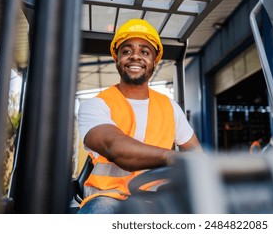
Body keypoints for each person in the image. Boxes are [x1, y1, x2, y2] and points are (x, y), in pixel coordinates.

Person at [77, 19, 202, 214]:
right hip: (109, 197)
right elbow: (116, 148)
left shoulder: (170, 107)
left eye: (145, 52)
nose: (135, 57)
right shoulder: (96, 105)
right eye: (126, 51)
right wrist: (175, 158)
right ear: (117, 58)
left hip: (159, 197)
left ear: (154, 61)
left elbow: (194, 149)